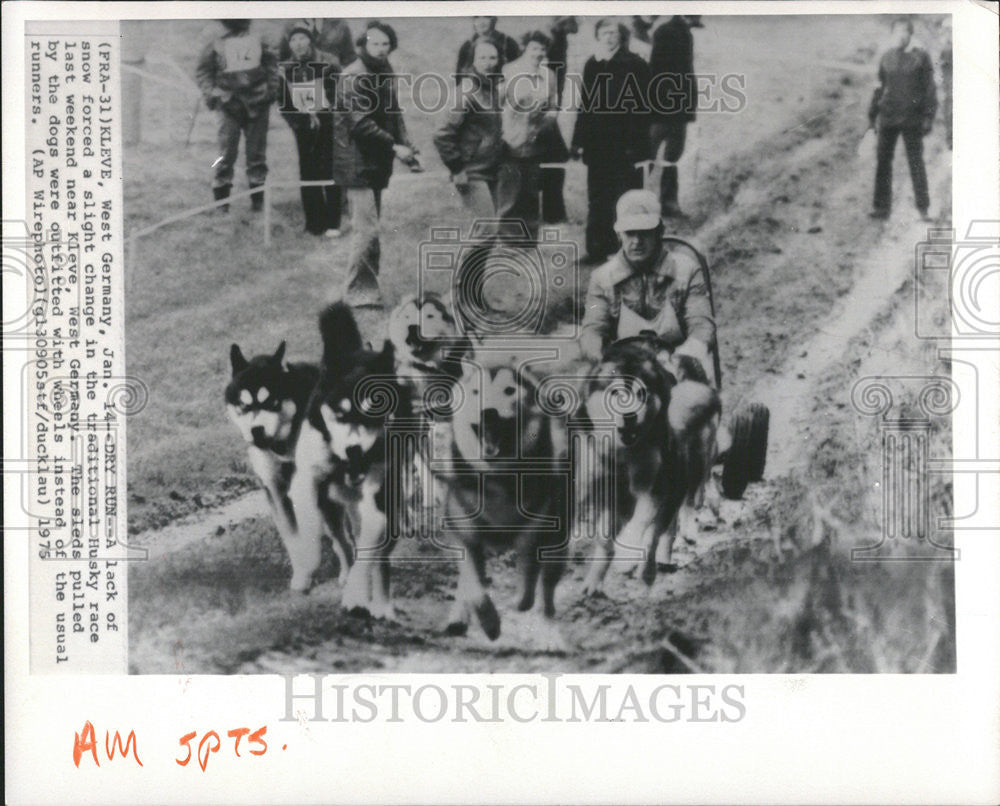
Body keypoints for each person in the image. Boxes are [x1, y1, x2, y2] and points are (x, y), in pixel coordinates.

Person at [579, 189, 716, 383]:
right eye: (630, 233)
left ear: (659, 232)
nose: (636, 242)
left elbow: (702, 323)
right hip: (624, 371)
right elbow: (593, 328)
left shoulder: (686, 270)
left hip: (677, 368)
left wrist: (686, 357)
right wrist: (597, 353)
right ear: (619, 234)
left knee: (692, 402)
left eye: (644, 233)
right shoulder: (602, 278)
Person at [333, 21, 417, 310]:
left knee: (371, 229)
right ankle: (356, 291)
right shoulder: (353, 75)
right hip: (355, 162)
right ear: (363, 45)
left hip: (376, 161)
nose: (380, 49)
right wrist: (396, 147)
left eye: (385, 44)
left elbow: (394, 114)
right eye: (374, 44)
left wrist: (407, 145)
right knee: (366, 230)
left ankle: (367, 290)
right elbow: (359, 123)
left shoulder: (384, 70)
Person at [571, 18, 651, 265]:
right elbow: (585, 105)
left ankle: (625, 252)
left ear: (621, 36)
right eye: (604, 33)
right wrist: (577, 141)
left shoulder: (635, 64)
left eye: (613, 33)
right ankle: (595, 249)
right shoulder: (592, 64)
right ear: (598, 36)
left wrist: (637, 147)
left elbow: (643, 109)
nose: (608, 37)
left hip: (624, 145)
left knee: (624, 198)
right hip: (597, 145)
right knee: (597, 197)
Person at [196, 19, 279, 211]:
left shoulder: (259, 32)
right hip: (228, 103)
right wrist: (212, 94)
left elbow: (272, 63)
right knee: (226, 154)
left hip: (257, 102)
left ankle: (258, 203)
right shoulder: (213, 36)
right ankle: (222, 204)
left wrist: (271, 91)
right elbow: (203, 70)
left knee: (257, 155)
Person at [868, 17, 937, 221]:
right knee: (883, 162)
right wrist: (872, 116)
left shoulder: (921, 58)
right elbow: (878, 87)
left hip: (911, 120)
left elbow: (929, 89)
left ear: (910, 35)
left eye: (905, 32)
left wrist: (928, 117)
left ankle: (923, 209)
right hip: (888, 117)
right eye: (897, 32)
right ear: (892, 35)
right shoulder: (886, 57)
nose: (901, 35)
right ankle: (881, 208)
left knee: (916, 163)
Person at [277, 25, 342, 237]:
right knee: (308, 170)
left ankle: (334, 223)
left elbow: (340, 93)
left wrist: (329, 114)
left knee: (330, 168)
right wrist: (299, 123)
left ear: (310, 41)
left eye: (302, 38)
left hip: (328, 121)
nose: (298, 43)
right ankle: (314, 223)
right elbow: (283, 102)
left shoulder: (328, 62)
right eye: (293, 39)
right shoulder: (285, 69)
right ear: (289, 45)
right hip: (303, 125)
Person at [497, 30, 560, 242]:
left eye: (542, 49)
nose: (538, 52)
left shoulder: (549, 75)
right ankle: (508, 240)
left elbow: (553, 105)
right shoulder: (509, 71)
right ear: (525, 48)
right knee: (510, 192)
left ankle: (530, 238)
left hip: (536, 142)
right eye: (534, 48)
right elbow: (496, 104)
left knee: (531, 193)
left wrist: (547, 123)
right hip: (510, 139)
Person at [647, 16, 698, 217]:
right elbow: (655, 70)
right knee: (647, 155)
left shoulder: (685, 32)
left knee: (673, 156)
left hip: (679, 110)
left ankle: (669, 202)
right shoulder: (666, 32)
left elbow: (687, 73)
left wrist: (689, 106)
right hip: (661, 109)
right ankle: (633, 202)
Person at [540, 16, 579, 224]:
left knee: (555, 158)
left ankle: (554, 212)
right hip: (548, 108)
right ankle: (553, 213)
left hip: (558, 105)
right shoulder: (553, 42)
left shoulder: (561, 42)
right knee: (553, 157)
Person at [455, 17, 521, 79]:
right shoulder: (467, 45)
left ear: (494, 19)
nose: (481, 22)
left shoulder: (508, 43)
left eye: (486, 17)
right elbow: (460, 75)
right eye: (477, 17)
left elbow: (517, 70)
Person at [279, 18, 355, 67]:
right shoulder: (290, 24)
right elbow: (283, 59)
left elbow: (349, 60)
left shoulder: (339, 24)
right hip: (300, 82)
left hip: (331, 79)